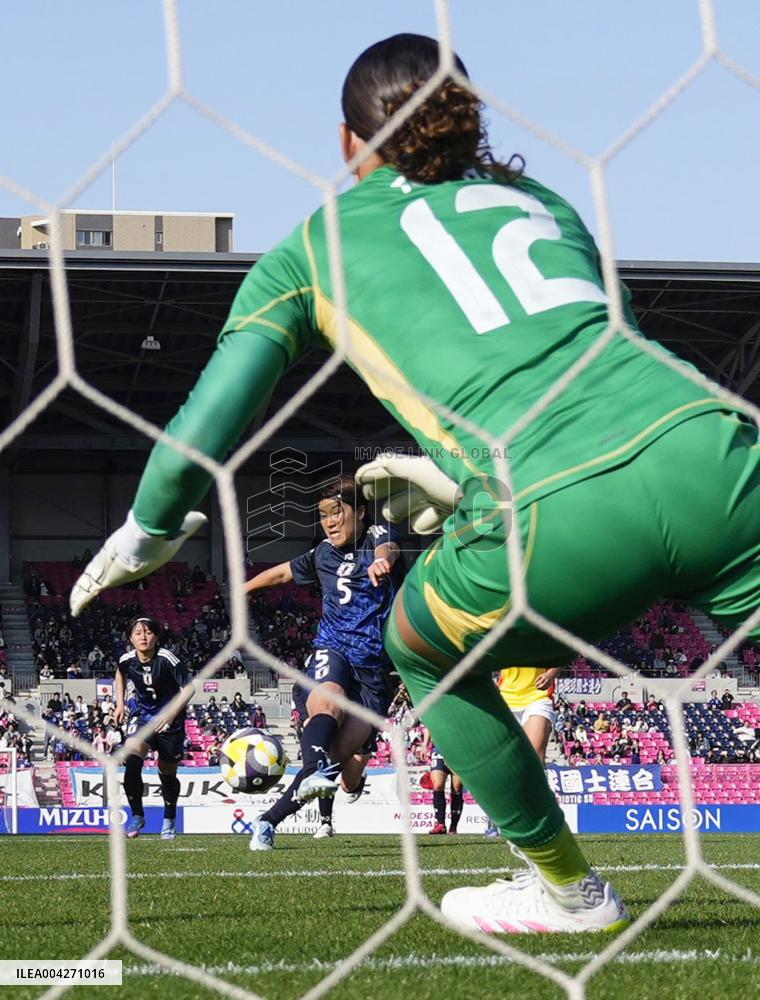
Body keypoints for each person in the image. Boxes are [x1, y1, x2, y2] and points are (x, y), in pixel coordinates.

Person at [69, 33, 760, 935]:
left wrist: (148, 530)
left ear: (348, 143)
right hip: (715, 447)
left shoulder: (316, 246)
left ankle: (568, 890)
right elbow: (590, 355)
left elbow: (206, 424)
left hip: (555, 507)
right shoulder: (541, 198)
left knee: (421, 646)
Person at [242, 476, 404, 849]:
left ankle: (268, 820)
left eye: (337, 512)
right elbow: (283, 572)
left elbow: (389, 548)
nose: (330, 522)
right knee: (326, 702)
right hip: (333, 648)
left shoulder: (377, 533)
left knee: (335, 762)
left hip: (375, 671)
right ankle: (276, 818)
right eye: (323, 515)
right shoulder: (322, 554)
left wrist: (382, 562)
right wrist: (245, 588)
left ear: (359, 512)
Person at [116, 617, 194, 840]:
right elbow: (119, 673)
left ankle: (169, 819)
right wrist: (120, 703)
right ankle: (137, 814)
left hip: (171, 722)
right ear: (131, 638)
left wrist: (170, 714)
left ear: (156, 637)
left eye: (148, 632)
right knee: (132, 751)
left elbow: (189, 689)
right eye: (138, 633)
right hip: (143, 716)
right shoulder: (127, 659)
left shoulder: (167, 658)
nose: (143, 637)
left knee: (167, 771)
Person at [420, 726, 464, 835]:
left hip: (458, 754)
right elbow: (429, 726)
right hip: (439, 753)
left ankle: (453, 826)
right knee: (437, 786)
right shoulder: (435, 709)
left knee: (457, 788)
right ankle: (440, 824)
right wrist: (425, 745)